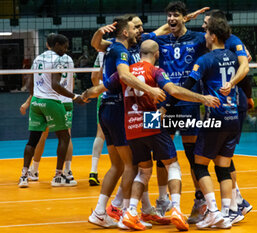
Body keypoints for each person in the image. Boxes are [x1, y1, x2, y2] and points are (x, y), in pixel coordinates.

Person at [120, 39, 220, 231]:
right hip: (151, 120)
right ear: (157, 54)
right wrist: (203, 99)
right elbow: (173, 90)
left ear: (140, 53)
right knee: (172, 165)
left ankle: (131, 212)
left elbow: (105, 86)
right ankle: (175, 209)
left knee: (144, 171)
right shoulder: (156, 71)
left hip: (130, 126)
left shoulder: (126, 71)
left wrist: (83, 96)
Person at [86, 16, 166, 228]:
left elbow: (161, 30)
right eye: (135, 27)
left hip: (111, 108)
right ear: (125, 32)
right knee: (133, 164)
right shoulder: (119, 49)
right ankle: (123, 213)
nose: (139, 30)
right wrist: (151, 90)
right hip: (120, 108)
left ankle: (103, 211)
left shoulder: (131, 46)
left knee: (120, 165)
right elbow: (123, 75)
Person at [184, 16, 246, 229]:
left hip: (215, 118)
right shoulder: (232, 55)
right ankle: (227, 214)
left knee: (199, 164)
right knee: (223, 167)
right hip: (233, 118)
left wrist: (169, 98)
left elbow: (188, 84)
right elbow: (244, 66)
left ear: (213, 35)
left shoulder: (205, 59)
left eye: (206, 32)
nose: (204, 35)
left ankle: (212, 211)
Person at [202, 9, 252, 220]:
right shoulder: (207, 43)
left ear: (215, 26)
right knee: (221, 157)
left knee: (222, 157)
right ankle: (238, 201)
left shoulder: (233, 41)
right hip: (218, 104)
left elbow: (245, 66)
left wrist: (235, 86)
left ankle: (234, 205)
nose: (203, 26)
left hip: (229, 105)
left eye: (206, 23)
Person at [18, 34, 85, 188]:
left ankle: (24, 175)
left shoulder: (38, 58)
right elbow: (56, 85)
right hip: (51, 101)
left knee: (33, 139)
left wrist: (32, 99)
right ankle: (59, 176)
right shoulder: (58, 59)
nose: (65, 50)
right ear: (55, 45)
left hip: (36, 102)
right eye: (64, 46)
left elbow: (30, 84)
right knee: (64, 137)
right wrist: (75, 97)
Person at [89, 52, 105, 186]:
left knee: (100, 133)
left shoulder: (101, 53)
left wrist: (99, 89)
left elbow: (94, 76)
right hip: (121, 95)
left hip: (103, 94)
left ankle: (93, 171)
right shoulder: (126, 49)